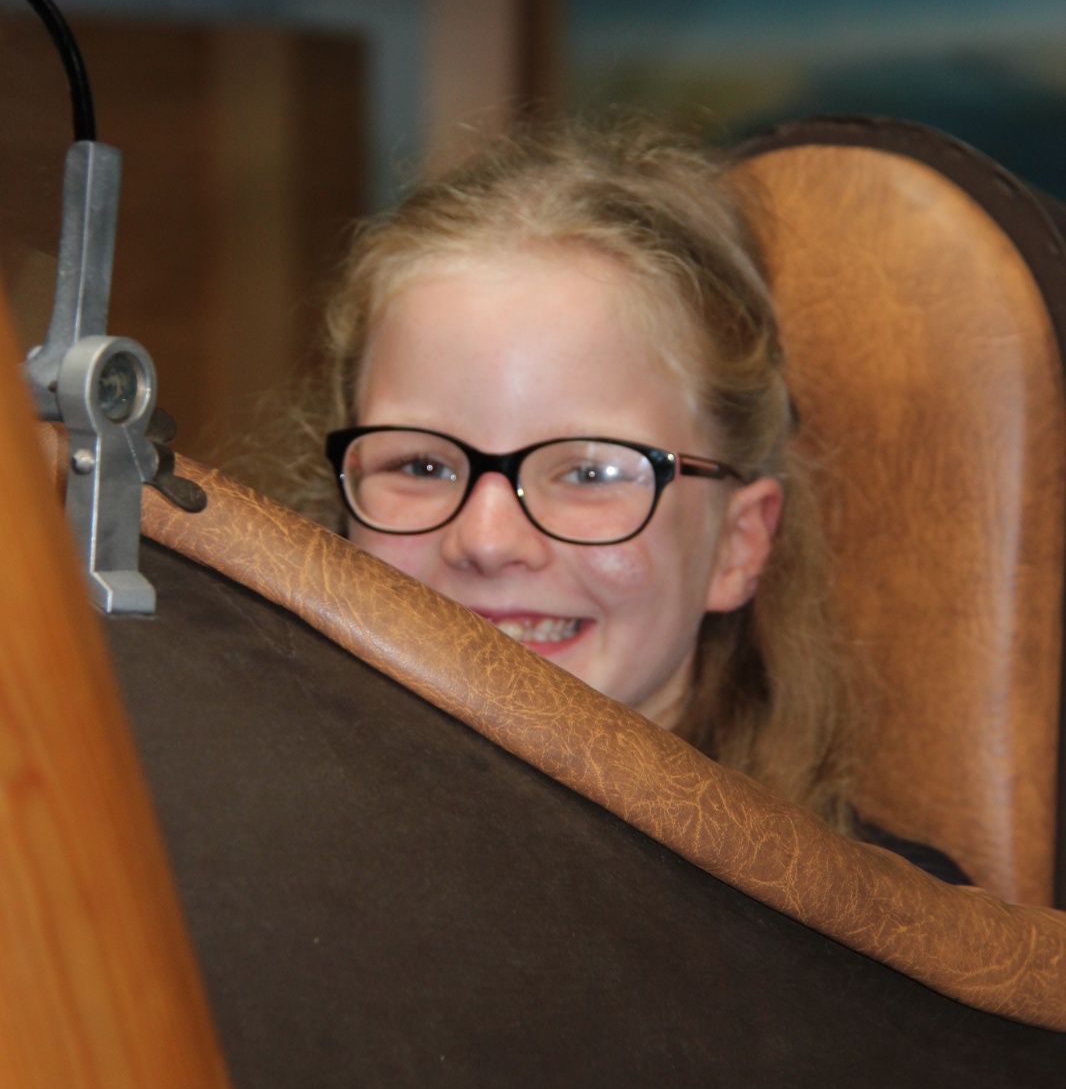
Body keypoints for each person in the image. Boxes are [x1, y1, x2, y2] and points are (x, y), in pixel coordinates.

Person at [317, 122, 969, 882]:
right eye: (421, 464)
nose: (487, 539)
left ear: (737, 544)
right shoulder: (237, 848)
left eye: (590, 473)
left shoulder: (893, 932)